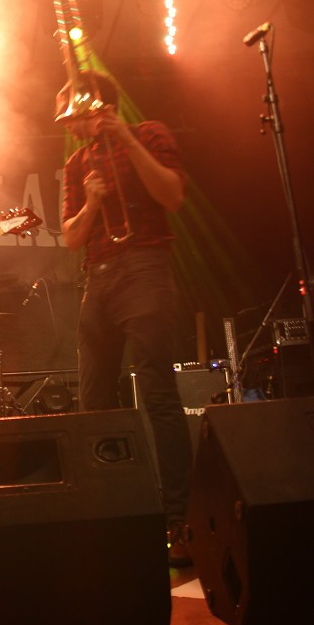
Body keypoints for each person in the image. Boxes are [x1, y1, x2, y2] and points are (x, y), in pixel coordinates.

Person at [59, 70, 194, 568]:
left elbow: (172, 197)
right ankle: (114, 511)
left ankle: (179, 519)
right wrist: (93, 203)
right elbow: (71, 235)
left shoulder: (151, 133)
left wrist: (125, 139)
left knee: (157, 390)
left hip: (145, 264)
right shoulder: (76, 164)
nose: (69, 125)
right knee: (94, 398)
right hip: (98, 276)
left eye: (74, 115)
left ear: (97, 107)